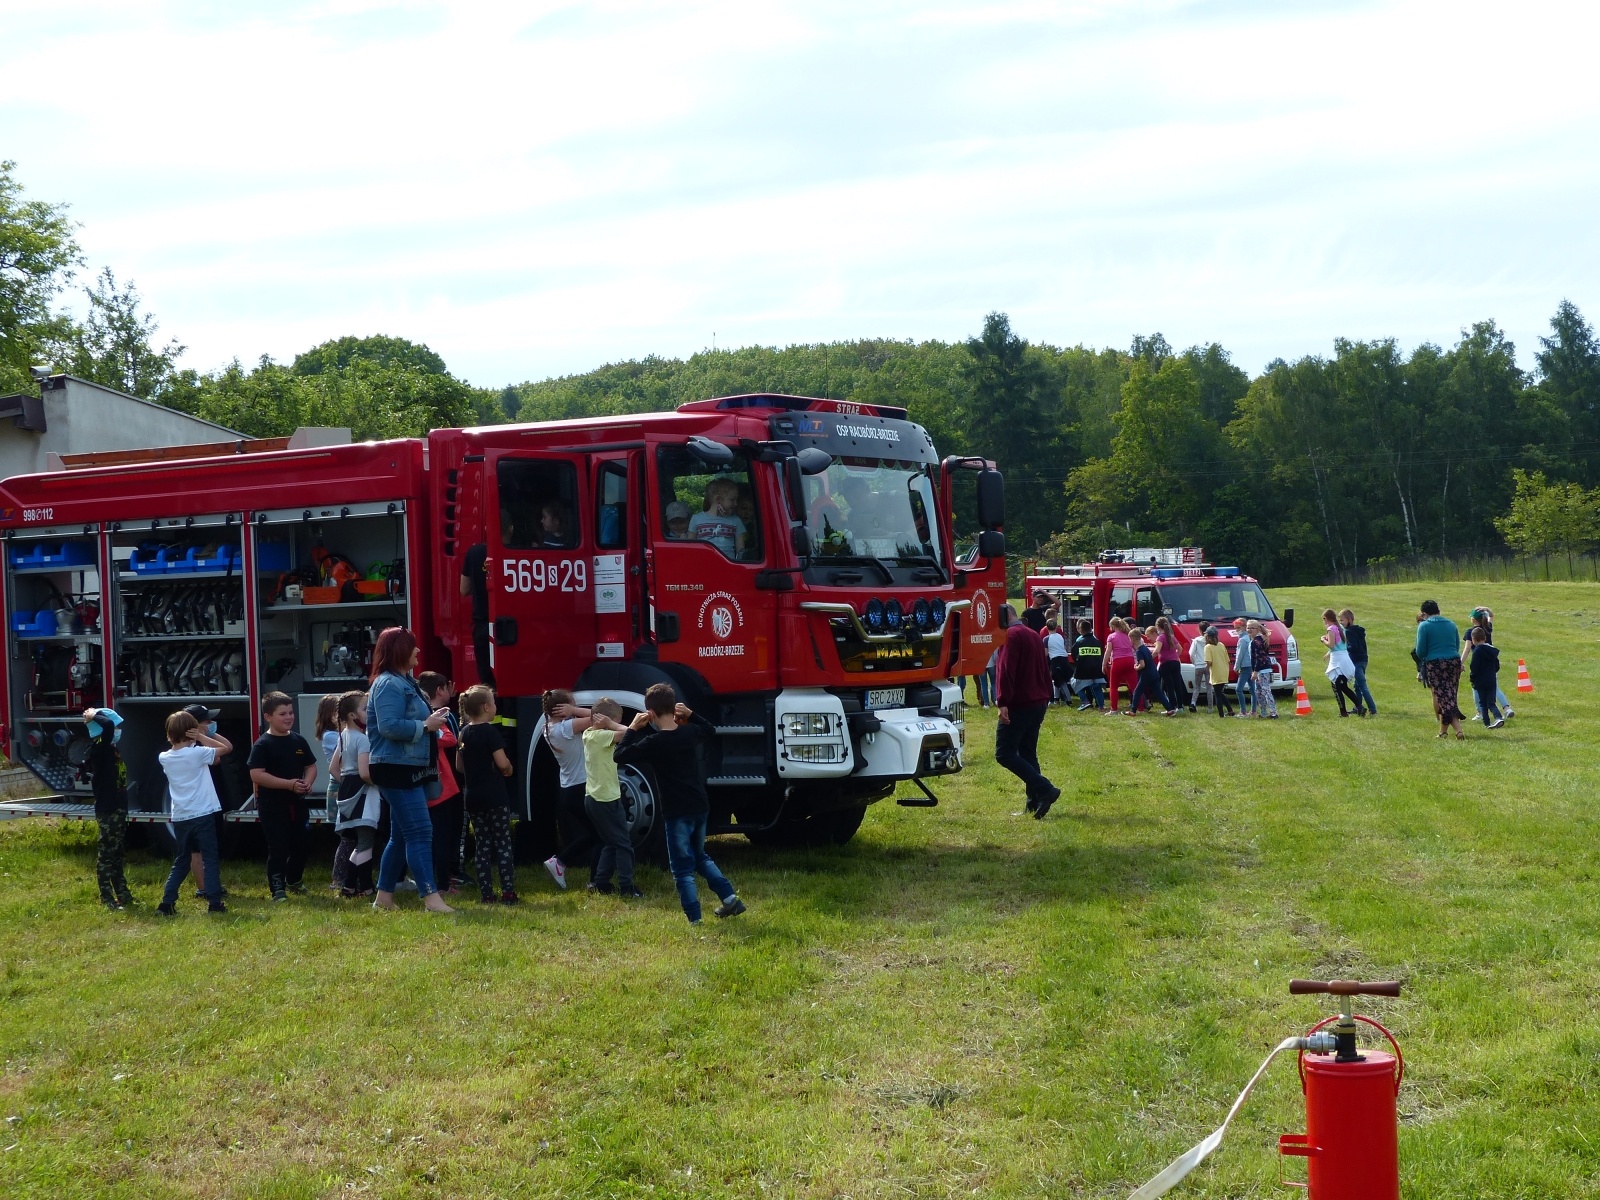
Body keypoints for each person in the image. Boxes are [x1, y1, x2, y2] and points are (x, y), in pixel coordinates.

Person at [614, 683, 746, 924]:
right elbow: (710, 730)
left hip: (676, 812)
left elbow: (619, 755)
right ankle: (729, 899)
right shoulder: (689, 732)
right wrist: (691, 714)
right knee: (699, 855)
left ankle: (695, 919)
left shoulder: (653, 743)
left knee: (682, 868)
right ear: (674, 707)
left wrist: (632, 728)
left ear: (650, 713)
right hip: (699, 805)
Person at [368, 627, 455, 913]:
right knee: (420, 831)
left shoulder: (403, 681)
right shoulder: (388, 684)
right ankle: (431, 898)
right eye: (413, 646)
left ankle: (383, 899)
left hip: (405, 767)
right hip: (395, 769)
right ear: (400, 651)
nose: (418, 650)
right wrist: (425, 725)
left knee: (402, 835)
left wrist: (431, 718)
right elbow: (388, 726)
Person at [156, 710, 232, 915]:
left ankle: (167, 902)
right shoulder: (198, 753)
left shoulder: (164, 757)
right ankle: (214, 902)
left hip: (180, 817)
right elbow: (226, 748)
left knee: (182, 860)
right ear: (191, 732)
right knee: (210, 858)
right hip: (203, 814)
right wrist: (201, 736)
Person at [248, 691, 317, 903]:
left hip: (297, 803)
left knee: (302, 843)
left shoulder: (298, 740)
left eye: (291, 713)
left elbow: (311, 766)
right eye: (282, 714)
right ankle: (277, 888)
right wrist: (288, 784)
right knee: (278, 846)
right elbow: (256, 775)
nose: (288, 717)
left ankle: (294, 880)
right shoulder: (263, 744)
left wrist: (307, 782)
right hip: (272, 804)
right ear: (268, 716)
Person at [993, 604, 1060, 818]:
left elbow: (1006, 670)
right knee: (1028, 753)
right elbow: (1044, 668)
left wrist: (1002, 701)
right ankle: (1034, 802)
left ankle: (1045, 789)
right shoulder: (1032, 634)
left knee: (1004, 753)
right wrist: (1046, 695)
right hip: (1037, 701)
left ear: (1005, 616)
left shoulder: (1011, 636)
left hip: (1020, 703)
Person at [456, 685, 519, 903]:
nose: (495, 707)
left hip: (473, 796)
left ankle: (487, 894)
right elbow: (502, 763)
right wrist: (509, 768)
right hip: (495, 795)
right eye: (493, 703)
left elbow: (459, 766)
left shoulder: (463, 732)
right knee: (502, 842)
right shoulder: (491, 732)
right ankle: (508, 892)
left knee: (482, 844)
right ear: (485, 707)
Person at [539, 688, 601, 890]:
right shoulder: (565, 728)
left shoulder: (549, 728)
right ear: (562, 709)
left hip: (568, 789)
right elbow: (600, 716)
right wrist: (573, 710)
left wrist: (571, 710)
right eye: (571, 704)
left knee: (595, 834)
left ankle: (561, 862)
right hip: (578, 788)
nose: (575, 707)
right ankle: (593, 880)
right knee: (600, 835)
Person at [581, 698, 637, 898]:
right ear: (604, 719)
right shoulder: (601, 736)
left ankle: (601, 882)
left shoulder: (588, 734)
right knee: (623, 845)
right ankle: (626, 887)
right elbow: (628, 734)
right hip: (606, 799)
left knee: (611, 843)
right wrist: (611, 723)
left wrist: (608, 722)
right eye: (615, 720)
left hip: (593, 798)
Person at [418, 671, 465, 893]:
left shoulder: (415, 721)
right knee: (441, 837)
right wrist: (429, 728)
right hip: (440, 787)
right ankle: (443, 884)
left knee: (434, 837)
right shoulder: (431, 719)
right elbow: (450, 739)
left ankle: (437, 881)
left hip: (431, 786)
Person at [333, 690, 381, 898]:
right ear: (353, 715)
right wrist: (381, 783)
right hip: (363, 796)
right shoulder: (362, 739)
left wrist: (346, 783)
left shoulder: (343, 736)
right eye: (365, 709)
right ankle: (367, 888)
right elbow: (364, 773)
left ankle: (349, 886)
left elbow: (333, 768)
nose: (369, 712)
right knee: (365, 843)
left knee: (359, 843)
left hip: (347, 792)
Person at [84, 707, 133, 911]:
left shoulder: (111, 749)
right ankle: (106, 898)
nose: (118, 730)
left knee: (117, 854)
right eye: (116, 727)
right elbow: (109, 725)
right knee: (106, 856)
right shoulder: (100, 748)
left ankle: (123, 894)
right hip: (108, 809)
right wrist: (93, 716)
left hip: (119, 808)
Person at [1415, 600, 1466, 739]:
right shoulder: (1451, 624)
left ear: (1424, 614)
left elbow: (1420, 651)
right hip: (1454, 662)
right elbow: (1456, 645)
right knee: (1450, 696)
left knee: (1442, 698)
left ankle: (1458, 730)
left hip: (1435, 663)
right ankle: (1443, 732)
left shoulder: (1424, 626)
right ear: (1438, 611)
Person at [313, 693, 345, 888]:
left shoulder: (333, 734)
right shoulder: (332, 736)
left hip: (339, 786)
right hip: (339, 787)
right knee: (346, 836)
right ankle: (338, 878)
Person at [1462, 607, 1514, 721]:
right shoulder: (1487, 628)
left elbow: (1467, 649)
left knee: (1476, 688)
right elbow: (1491, 616)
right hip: (1491, 662)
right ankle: (1507, 708)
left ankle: (1480, 712)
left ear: (1473, 619)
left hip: (1480, 663)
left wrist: (1460, 663)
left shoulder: (1470, 632)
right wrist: (1486, 609)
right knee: (1494, 687)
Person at [459, 539, 495, 687]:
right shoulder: (518, 552)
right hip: (510, 626)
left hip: (482, 625)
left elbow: (464, 589)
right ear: (511, 529)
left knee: (488, 683)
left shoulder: (474, 553)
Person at [1321, 608, 1363, 717]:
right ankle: (1359, 707)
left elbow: (1331, 645)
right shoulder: (1340, 628)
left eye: (1324, 619)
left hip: (1338, 661)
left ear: (1327, 618)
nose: (1324, 621)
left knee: (1336, 686)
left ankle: (1343, 712)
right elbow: (1339, 643)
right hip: (1344, 658)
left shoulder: (1331, 629)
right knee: (1343, 686)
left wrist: (1323, 640)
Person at [688, 478, 746, 557]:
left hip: (727, 564)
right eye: (732, 500)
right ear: (718, 499)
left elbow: (741, 552)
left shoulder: (736, 521)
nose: (736, 504)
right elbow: (690, 548)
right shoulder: (696, 519)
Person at [1339, 608, 1377, 716]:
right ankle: (1358, 707)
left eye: (1342, 620)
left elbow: (1353, 646)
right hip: (1363, 659)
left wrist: (1345, 648)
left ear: (1349, 620)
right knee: (1357, 686)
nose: (1341, 623)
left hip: (1356, 661)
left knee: (1362, 685)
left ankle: (1372, 709)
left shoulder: (1349, 632)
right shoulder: (1358, 630)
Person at [1466, 626, 1504, 728]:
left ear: (1473, 639)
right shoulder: (1492, 651)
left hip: (1480, 680)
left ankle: (1487, 723)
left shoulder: (1477, 651)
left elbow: (1474, 667)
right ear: (1485, 638)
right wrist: (1492, 672)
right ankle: (1498, 717)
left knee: (1483, 703)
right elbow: (1497, 665)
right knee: (1491, 702)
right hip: (1491, 679)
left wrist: (1472, 678)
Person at [1153, 617, 1188, 715]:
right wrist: (1175, 656)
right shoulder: (1171, 636)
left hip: (1165, 663)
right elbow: (1180, 649)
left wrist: (1149, 658)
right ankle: (1180, 707)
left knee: (1169, 687)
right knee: (1177, 685)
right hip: (1175, 662)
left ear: (1158, 627)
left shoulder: (1160, 638)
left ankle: (1172, 707)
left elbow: (1157, 650)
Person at [1104, 617, 1138, 714]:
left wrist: (1104, 663)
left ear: (1113, 626)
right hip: (1130, 660)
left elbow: (1108, 651)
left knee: (1114, 686)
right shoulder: (1128, 635)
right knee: (1134, 686)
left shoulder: (1111, 637)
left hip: (1118, 661)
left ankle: (1114, 709)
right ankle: (1140, 707)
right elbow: (1136, 648)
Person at [1070, 618, 1105, 711]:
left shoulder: (1079, 643)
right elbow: (1102, 654)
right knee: (1097, 688)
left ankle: (1085, 701)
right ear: (1090, 629)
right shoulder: (1098, 642)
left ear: (1081, 630)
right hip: (1097, 669)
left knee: (1074, 683)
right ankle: (1101, 706)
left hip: (1083, 670)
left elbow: (1073, 655)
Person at [1246, 620, 1279, 718]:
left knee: (1266, 691)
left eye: (1252, 628)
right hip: (1260, 669)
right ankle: (1263, 712)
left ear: (1258, 629)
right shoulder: (1258, 640)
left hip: (1262, 670)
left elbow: (1259, 658)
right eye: (1248, 628)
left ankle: (1273, 713)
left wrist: (1255, 672)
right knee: (1259, 692)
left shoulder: (1256, 642)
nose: (1249, 630)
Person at [1130, 627, 1163, 715]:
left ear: (1133, 638)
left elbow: (1142, 665)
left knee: (1137, 692)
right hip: (1154, 673)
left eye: (1130, 638)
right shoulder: (1145, 648)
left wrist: (1136, 668)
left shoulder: (1139, 651)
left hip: (1146, 674)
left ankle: (1133, 711)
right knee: (1159, 693)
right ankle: (1170, 709)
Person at [1202, 628, 1234, 717]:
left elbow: (1209, 662)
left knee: (1217, 695)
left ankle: (1221, 715)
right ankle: (1230, 710)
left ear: (1208, 637)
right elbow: (1227, 660)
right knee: (1219, 692)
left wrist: (1205, 669)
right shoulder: (1221, 645)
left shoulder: (1208, 647)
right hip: (1224, 671)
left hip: (1216, 672)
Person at [1044, 620, 1072, 704]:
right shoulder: (1060, 636)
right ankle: (1056, 698)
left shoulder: (1046, 639)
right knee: (1057, 679)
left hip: (1055, 660)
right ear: (1056, 627)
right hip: (1064, 658)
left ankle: (1068, 700)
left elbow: (1045, 653)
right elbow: (1063, 647)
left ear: (1047, 627)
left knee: (1060, 680)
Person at [1232, 618, 1255, 717]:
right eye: (1235, 628)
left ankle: (1243, 711)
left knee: (1239, 689)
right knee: (1252, 689)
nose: (1237, 630)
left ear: (1244, 627)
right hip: (1251, 665)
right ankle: (1253, 711)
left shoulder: (1242, 640)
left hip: (1245, 666)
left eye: (1238, 628)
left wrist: (1236, 667)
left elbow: (1240, 655)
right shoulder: (1249, 638)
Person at [1188, 621, 1211, 711]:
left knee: (1197, 687)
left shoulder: (1196, 640)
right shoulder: (1210, 640)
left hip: (1198, 666)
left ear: (1200, 630)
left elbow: (1191, 653)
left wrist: (1195, 662)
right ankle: (1210, 708)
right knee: (1209, 687)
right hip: (1208, 666)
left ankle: (1193, 703)